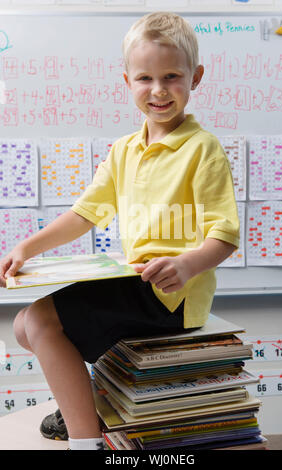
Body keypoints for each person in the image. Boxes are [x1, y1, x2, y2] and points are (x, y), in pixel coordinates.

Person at [0, 12, 239, 450]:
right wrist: (26, 248)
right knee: (22, 326)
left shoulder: (202, 149)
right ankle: (84, 403)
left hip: (171, 294)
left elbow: (223, 235)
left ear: (196, 77)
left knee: (38, 319)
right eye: (145, 78)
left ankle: (86, 442)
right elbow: (85, 214)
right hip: (135, 280)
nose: (159, 89)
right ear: (127, 81)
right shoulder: (125, 150)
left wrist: (186, 265)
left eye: (172, 76)